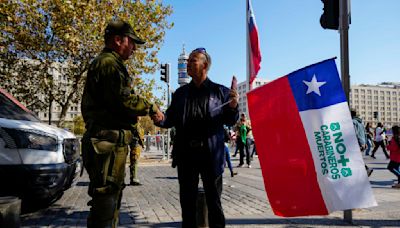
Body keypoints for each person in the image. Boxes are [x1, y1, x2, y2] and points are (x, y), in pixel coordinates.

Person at [80, 19, 163, 227]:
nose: (134, 48)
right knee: (105, 205)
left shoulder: (110, 63)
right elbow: (123, 99)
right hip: (106, 146)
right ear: (118, 40)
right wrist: (151, 108)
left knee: (109, 203)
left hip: (108, 145)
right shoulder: (108, 64)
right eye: (131, 42)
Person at [154, 47, 239, 227]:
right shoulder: (180, 94)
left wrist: (233, 106)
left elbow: (230, 120)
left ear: (205, 65)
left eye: (192, 61)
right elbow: (170, 119)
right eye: (187, 61)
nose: (187, 64)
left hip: (210, 155)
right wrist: (160, 118)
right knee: (187, 204)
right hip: (186, 155)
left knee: (214, 203)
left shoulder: (220, 92)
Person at [351, 110, 373, 177]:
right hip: (362, 142)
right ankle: (364, 170)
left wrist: (361, 143)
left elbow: (356, 133)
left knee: (354, 158)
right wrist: (365, 143)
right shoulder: (360, 122)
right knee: (356, 158)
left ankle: (366, 169)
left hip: (358, 143)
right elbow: (365, 133)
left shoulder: (353, 122)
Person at [129, 122, 144, 186]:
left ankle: (133, 178)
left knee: (134, 161)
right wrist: (142, 143)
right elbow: (139, 134)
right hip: (135, 144)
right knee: (134, 161)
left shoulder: (136, 123)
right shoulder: (136, 124)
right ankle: (134, 178)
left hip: (135, 144)